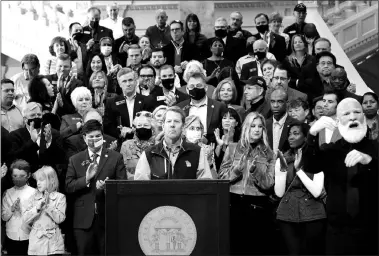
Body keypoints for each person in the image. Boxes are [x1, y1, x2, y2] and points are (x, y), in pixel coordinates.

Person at [303, 98, 378, 255]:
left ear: (364, 117)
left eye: (357, 112)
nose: (352, 117)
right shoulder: (331, 150)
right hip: (337, 232)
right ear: (338, 120)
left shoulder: (376, 149)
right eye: (346, 113)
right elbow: (310, 166)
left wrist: (369, 161)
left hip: (372, 231)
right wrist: (312, 134)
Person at [66, 119, 126, 255]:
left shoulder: (116, 157)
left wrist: (107, 188)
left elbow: (122, 186)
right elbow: (69, 186)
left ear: (103, 137)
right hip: (83, 220)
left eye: (98, 136)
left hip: (107, 217)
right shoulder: (75, 159)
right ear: (84, 138)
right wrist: (86, 179)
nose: (94, 139)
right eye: (91, 137)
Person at [219, 112, 275, 255]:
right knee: (234, 247)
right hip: (234, 203)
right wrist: (237, 170)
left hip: (257, 206)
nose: (256, 129)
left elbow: (268, 184)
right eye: (253, 126)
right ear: (246, 128)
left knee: (254, 248)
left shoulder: (269, 154)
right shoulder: (232, 148)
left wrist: (255, 171)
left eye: (260, 126)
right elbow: (221, 179)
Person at [275, 122, 326, 255]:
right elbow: (279, 193)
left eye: (296, 133)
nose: (291, 137)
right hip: (287, 214)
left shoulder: (316, 158)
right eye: (290, 134)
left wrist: (298, 170)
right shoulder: (284, 158)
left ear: (306, 137)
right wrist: (281, 170)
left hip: (313, 213)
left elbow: (316, 192)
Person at [134, 106, 214, 180]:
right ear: (163, 126)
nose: (172, 125)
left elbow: (205, 185)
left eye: (176, 121)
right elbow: (140, 188)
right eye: (169, 121)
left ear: (183, 127)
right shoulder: (149, 154)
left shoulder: (197, 152)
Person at [8, 102, 65, 175]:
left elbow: (61, 158)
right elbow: (15, 159)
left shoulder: (53, 133)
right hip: (27, 177)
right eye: (32, 115)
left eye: (39, 115)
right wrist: (32, 141)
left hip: (50, 177)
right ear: (25, 119)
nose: (36, 117)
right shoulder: (15, 135)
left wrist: (50, 142)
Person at [23, 166, 66, 255]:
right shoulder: (33, 197)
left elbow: (60, 219)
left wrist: (48, 206)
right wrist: (37, 208)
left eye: (41, 180)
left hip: (54, 244)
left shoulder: (60, 197)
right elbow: (25, 219)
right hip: (36, 243)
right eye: (37, 180)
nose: (38, 183)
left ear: (51, 180)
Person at [104, 68, 155, 140]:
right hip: (120, 142)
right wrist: (121, 132)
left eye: (130, 80)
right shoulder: (111, 102)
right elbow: (108, 127)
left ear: (135, 81)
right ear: (119, 84)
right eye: (124, 81)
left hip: (143, 140)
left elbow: (152, 123)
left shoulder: (147, 100)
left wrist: (133, 130)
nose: (128, 84)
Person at [176, 71, 228, 143]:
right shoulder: (180, 107)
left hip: (210, 147)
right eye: (191, 86)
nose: (195, 88)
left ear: (206, 88)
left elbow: (223, 130)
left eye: (199, 85)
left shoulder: (219, 107)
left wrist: (207, 141)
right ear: (187, 90)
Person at [1, 160, 36, 256]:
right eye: (15, 176)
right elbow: (4, 217)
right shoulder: (7, 193)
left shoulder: (34, 193)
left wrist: (23, 210)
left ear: (28, 175)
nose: (18, 179)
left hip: (29, 236)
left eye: (21, 176)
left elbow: (37, 217)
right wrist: (11, 209)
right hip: (11, 236)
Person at [45, 53, 85, 118]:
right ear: (56, 66)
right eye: (60, 66)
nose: (62, 69)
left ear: (70, 67)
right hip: (49, 118)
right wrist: (58, 89)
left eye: (66, 66)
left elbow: (76, 107)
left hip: (68, 120)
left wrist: (62, 92)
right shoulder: (47, 80)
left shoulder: (78, 84)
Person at [120, 111, 156, 180]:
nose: (142, 128)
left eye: (146, 125)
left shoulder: (157, 145)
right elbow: (122, 169)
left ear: (152, 128)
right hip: (131, 184)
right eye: (139, 125)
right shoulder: (126, 145)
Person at [266, 88, 297, 153]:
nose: (275, 105)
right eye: (272, 101)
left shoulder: (295, 124)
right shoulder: (265, 124)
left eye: (280, 101)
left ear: (287, 103)